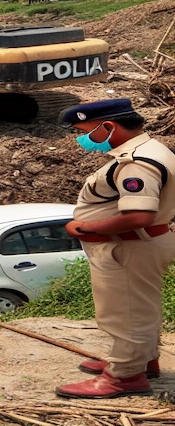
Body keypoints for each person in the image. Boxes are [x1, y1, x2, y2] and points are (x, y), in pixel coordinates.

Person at [54, 99, 175, 399]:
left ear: (108, 126)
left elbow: (138, 215)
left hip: (130, 245)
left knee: (125, 312)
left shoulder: (136, 162)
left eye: (84, 131)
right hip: (139, 242)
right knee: (138, 306)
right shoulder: (149, 149)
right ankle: (142, 360)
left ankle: (124, 376)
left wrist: (83, 228)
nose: (80, 139)